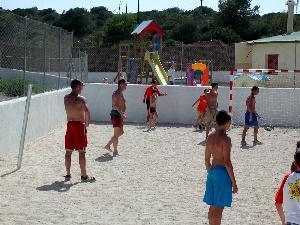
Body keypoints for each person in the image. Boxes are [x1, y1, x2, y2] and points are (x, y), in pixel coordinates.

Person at [203, 110, 238, 225]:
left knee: (212, 206)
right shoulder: (226, 139)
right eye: (229, 123)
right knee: (219, 208)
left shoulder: (210, 137)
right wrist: (234, 182)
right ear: (227, 123)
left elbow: (207, 159)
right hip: (222, 173)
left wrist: (210, 172)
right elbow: (227, 162)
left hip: (212, 172)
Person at [64, 79, 95, 182]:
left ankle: (68, 174)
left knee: (68, 151)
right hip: (78, 126)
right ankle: (84, 175)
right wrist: (87, 124)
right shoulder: (81, 99)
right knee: (81, 152)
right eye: (81, 86)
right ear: (77, 87)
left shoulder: (66, 98)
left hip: (70, 125)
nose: (82, 88)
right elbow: (87, 111)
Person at [275, 149, 300, 225]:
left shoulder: (287, 178)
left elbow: (278, 203)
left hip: (291, 220)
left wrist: (283, 221)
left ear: (295, 163)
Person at [104, 79, 127, 157]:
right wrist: (121, 114)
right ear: (120, 85)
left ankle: (109, 146)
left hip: (119, 115)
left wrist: (122, 113)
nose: (126, 85)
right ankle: (115, 151)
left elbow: (121, 104)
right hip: (116, 115)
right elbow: (114, 106)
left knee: (120, 132)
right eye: (125, 84)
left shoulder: (120, 93)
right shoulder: (115, 93)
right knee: (117, 134)